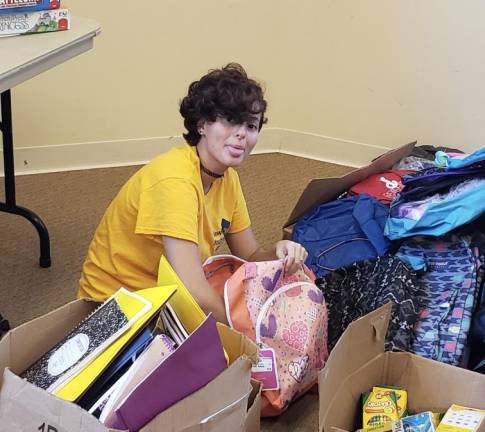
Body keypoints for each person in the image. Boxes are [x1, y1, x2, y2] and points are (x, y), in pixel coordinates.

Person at [78, 63, 308, 323]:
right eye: (230, 120)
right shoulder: (174, 179)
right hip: (114, 308)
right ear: (202, 124)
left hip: (163, 299)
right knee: (239, 344)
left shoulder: (227, 178)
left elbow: (251, 257)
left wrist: (279, 251)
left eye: (251, 126)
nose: (241, 134)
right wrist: (248, 336)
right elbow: (194, 291)